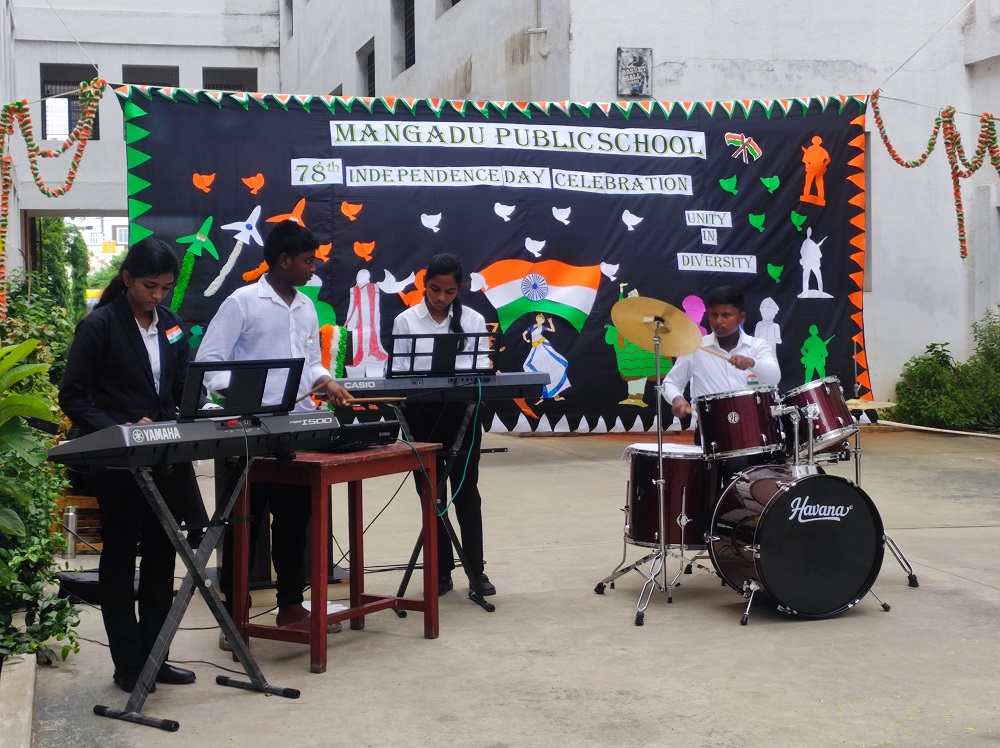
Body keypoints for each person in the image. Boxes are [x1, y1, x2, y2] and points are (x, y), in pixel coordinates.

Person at [196, 220, 352, 640]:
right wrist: (246, 396)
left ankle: (290, 606)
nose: (313, 269)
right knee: (243, 526)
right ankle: (236, 618)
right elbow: (210, 363)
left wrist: (327, 381)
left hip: (293, 429)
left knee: (293, 521)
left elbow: (311, 363)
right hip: (247, 432)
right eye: (307, 261)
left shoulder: (305, 307)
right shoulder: (242, 302)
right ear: (284, 261)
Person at [59, 238, 198, 693]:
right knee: (120, 556)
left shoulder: (172, 326)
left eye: (165, 288)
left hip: (165, 456)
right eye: (148, 286)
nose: (156, 295)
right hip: (117, 461)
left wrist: (195, 411)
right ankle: (128, 663)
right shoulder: (99, 326)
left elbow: (181, 387)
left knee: (162, 554)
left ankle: (155, 658)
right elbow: (73, 396)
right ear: (127, 278)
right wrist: (122, 428)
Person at [391, 253, 495, 597]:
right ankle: (440, 571)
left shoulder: (474, 319)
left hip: (462, 412)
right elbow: (400, 372)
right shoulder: (406, 320)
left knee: (467, 493)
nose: (440, 298)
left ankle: (476, 571)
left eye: (449, 292)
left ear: (459, 288)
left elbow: (481, 367)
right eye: (435, 289)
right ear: (424, 284)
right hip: (420, 414)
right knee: (431, 495)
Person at [662, 286, 782, 484]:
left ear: (741, 317)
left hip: (756, 432)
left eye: (726, 315)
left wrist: (752, 363)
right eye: (714, 315)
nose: (718, 321)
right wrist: (677, 399)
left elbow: (774, 377)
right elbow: (670, 383)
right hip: (711, 434)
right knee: (722, 481)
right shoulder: (696, 347)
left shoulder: (757, 346)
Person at [522, 312, 570, 405]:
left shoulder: (543, 327)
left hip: (543, 347)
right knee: (535, 369)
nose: (540, 320)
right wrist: (526, 339)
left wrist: (550, 322)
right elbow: (524, 334)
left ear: (543, 321)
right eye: (539, 319)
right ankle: (542, 396)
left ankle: (556, 396)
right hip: (536, 349)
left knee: (551, 368)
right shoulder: (531, 327)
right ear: (537, 319)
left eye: (542, 319)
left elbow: (553, 330)